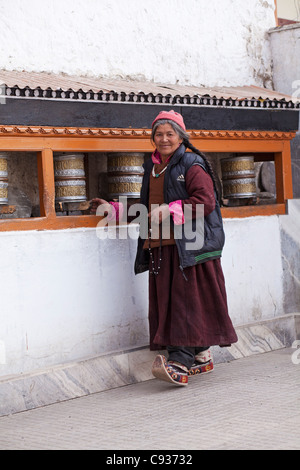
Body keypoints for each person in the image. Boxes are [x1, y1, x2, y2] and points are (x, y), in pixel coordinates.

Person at [91, 110, 238, 387]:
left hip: (188, 246)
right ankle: (201, 353)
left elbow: (205, 201)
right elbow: (148, 206)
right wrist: (115, 209)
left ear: (181, 136)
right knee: (171, 303)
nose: (164, 139)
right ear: (152, 138)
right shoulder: (153, 167)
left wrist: (170, 210)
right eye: (158, 134)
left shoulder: (192, 164)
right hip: (160, 245)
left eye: (170, 134)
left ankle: (180, 361)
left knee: (183, 304)